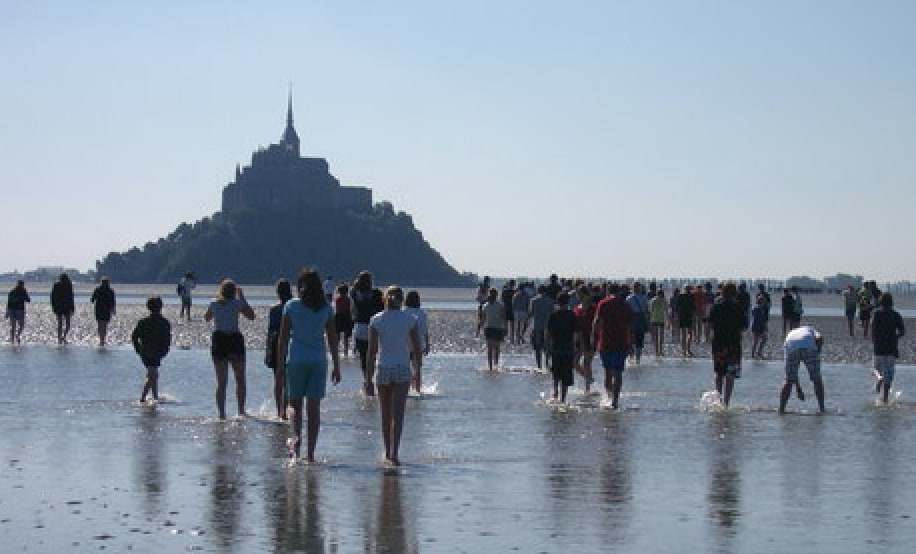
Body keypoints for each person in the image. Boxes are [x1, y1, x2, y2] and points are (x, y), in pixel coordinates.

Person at [277, 269, 341, 461]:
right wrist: (337, 365)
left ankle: (296, 441)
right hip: (318, 362)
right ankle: (311, 454)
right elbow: (332, 339)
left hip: (296, 361)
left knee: (294, 406)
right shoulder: (326, 308)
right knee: (314, 411)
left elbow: (283, 338)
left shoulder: (291, 306)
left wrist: (280, 365)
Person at [367, 286, 422, 465]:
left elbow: (372, 351)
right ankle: (395, 453)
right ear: (402, 300)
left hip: (383, 368)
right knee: (398, 415)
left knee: (385, 413)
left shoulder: (376, 319)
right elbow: (416, 348)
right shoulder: (410, 319)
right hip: (402, 368)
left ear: (385, 299)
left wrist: (368, 378)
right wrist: (418, 371)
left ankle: (387, 452)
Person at [204, 278, 256, 419]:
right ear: (234, 292)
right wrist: (242, 297)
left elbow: (207, 318)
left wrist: (217, 304)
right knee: (240, 379)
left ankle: (222, 414)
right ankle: (241, 411)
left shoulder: (214, 303)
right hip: (234, 340)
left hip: (219, 341)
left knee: (221, 382)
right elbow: (251, 316)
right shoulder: (238, 303)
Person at [593, 284, 632, 409]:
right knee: (618, 373)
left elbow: (597, 322)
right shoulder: (625, 305)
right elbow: (630, 326)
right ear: (619, 292)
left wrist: (593, 338)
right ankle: (615, 401)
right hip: (621, 343)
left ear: (608, 291)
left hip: (606, 343)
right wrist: (631, 343)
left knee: (608, 373)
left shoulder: (603, 303)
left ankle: (608, 398)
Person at [708, 283, 746, 407]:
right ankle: (726, 403)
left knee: (719, 373)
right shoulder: (738, 307)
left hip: (719, 343)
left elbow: (711, 324)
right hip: (734, 344)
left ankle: (718, 399)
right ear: (735, 293)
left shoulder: (716, 306)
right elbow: (744, 327)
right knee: (730, 374)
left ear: (722, 292)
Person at [131, 296, 172, 403]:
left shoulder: (144, 321)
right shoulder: (164, 322)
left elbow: (134, 336)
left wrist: (138, 348)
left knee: (152, 374)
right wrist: (166, 349)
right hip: (153, 351)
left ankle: (154, 397)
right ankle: (143, 398)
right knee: (153, 375)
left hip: (147, 351)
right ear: (160, 307)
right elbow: (168, 338)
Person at [780, 325, 826, 414]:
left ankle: (781, 409)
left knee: (788, 380)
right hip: (808, 346)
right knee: (816, 379)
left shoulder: (791, 333)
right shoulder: (811, 329)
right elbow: (820, 338)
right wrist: (817, 352)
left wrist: (798, 389)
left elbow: (793, 374)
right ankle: (822, 409)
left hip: (791, 345)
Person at [351, 271, 383, 396]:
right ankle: (373, 380)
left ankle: (367, 382)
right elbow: (382, 310)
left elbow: (352, 311)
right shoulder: (377, 293)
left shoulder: (354, 293)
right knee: (373, 355)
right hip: (373, 326)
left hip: (359, 327)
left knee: (364, 357)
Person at [870, 293, 905, 404]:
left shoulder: (876, 314)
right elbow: (902, 331)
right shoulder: (896, 315)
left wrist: (874, 339)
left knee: (875, 369)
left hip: (879, 347)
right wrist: (895, 337)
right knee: (889, 374)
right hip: (891, 348)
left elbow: (873, 329)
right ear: (891, 302)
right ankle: (885, 398)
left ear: (881, 302)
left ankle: (879, 377)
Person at [266, 278, 293, 420]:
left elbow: (271, 331)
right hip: (290, 342)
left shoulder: (274, 309)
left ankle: (279, 410)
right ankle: (285, 408)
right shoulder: (294, 307)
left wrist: (268, 352)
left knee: (278, 378)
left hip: (276, 343)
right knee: (288, 380)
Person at [547, 291, 577, 402]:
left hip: (556, 348)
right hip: (568, 348)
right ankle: (563, 399)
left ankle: (555, 392)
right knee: (566, 375)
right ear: (568, 302)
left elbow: (549, 334)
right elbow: (576, 334)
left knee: (556, 373)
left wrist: (548, 348)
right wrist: (576, 348)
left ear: (557, 302)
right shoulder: (572, 315)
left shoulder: (553, 315)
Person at [404, 290, 431, 388]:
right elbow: (425, 331)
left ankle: (410, 384)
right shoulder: (422, 313)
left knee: (407, 367)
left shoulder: (403, 312)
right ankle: (418, 389)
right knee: (418, 368)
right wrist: (427, 344)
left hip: (406, 344)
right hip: (419, 344)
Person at [573, 285, 596, 392]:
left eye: (582, 295)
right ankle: (590, 380)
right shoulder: (577, 308)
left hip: (590, 338)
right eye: (579, 295)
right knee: (575, 363)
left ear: (587, 295)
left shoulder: (594, 308)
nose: (580, 297)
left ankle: (587, 389)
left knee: (587, 363)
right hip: (578, 338)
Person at [478, 287, 507, 371]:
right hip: (497, 328)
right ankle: (496, 365)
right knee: (497, 348)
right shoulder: (500, 305)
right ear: (497, 295)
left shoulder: (486, 305)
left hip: (488, 328)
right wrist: (505, 328)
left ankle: (490, 366)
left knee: (489, 348)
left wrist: (479, 328)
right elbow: (503, 318)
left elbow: (483, 319)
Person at [528, 285, 554, 369]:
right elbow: (553, 314)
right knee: (547, 347)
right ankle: (546, 364)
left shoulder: (533, 300)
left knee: (537, 348)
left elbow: (531, 313)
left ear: (538, 291)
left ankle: (539, 366)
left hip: (537, 327)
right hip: (548, 327)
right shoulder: (550, 301)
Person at [90, 277, 117, 347]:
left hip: (99, 309)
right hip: (106, 309)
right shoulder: (110, 290)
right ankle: (102, 339)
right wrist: (113, 309)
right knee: (104, 324)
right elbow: (113, 301)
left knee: (100, 324)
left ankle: (101, 339)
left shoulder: (98, 289)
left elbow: (92, 300)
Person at [50, 273, 75, 344]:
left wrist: (53, 306)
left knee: (63, 323)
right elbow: (53, 296)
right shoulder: (58, 285)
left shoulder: (67, 285)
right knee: (64, 323)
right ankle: (61, 337)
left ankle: (62, 337)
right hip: (62, 306)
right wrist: (72, 307)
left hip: (62, 306)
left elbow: (71, 296)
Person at [6, 280, 30, 344]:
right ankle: (16, 336)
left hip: (13, 309)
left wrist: (7, 312)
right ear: (21, 285)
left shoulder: (13, 291)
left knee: (15, 325)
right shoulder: (22, 291)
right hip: (19, 310)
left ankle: (13, 339)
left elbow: (8, 302)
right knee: (20, 325)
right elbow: (28, 300)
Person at [333, 283, 354, 358]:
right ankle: (346, 352)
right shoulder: (348, 299)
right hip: (347, 316)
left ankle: (336, 351)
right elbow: (351, 309)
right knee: (346, 336)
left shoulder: (337, 299)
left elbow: (337, 309)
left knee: (337, 336)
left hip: (339, 317)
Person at [676, 285, 696, 357]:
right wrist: (677, 317)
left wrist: (694, 317)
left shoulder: (692, 296)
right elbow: (677, 307)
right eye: (687, 289)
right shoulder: (681, 296)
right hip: (683, 316)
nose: (688, 290)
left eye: (689, 289)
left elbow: (694, 308)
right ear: (685, 289)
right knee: (684, 334)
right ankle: (684, 350)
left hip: (688, 316)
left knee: (689, 334)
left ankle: (687, 349)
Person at [648, 289, 667, 358]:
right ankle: (661, 351)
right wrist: (667, 320)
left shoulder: (653, 300)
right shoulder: (664, 300)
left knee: (656, 336)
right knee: (661, 336)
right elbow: (666, 310)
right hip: (661, 320)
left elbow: (650, 310)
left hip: (654, 319)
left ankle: (656, 352)